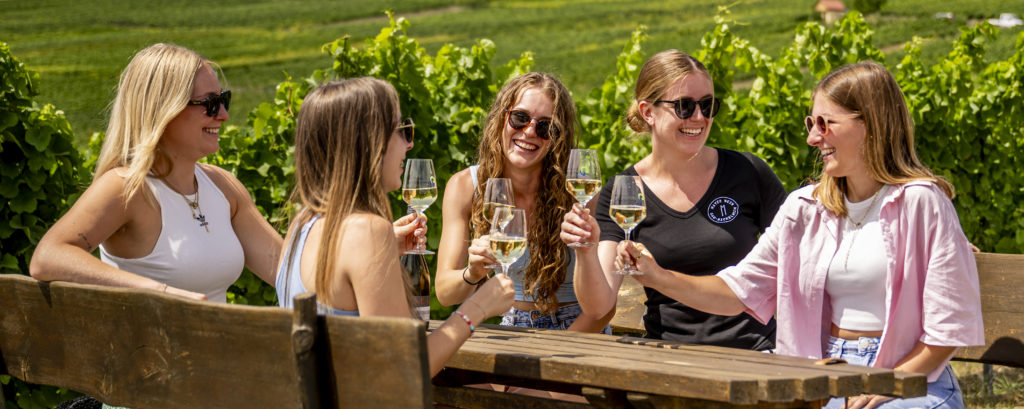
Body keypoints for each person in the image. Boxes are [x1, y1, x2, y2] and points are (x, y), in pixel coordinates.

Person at [617, 61, 984, 409]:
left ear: (871, 124)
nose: (812, 137)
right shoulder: (805, 208)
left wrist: (889, 381)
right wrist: (658, 276)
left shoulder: (921, 202)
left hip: (910, 376)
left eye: (826, 123)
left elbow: (947, 331)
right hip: (822, 375)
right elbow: (736, 292)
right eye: (812, 122)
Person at [275, 78, 514, 377]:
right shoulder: (366, 232)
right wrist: (478, 307)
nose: (409, 142)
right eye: (401, 131)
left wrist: (385, 245)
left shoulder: (303, 223)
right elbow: (408, 367)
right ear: (368, 142)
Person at [560, 50, 785, 349]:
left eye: (707, 105)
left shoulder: (748, 172)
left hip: (754, 351)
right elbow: (599, 307)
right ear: (648, 112)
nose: (699, 117)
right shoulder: (625, 191)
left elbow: (797, 261)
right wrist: (586, 251)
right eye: (684, 106)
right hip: (669, 357)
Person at [30, 43, 282, 302]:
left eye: (223, 99)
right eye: (210, 103)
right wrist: (158, 293)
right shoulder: (126, 188)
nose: (224, 115)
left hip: (217, 341)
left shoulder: (223, 187)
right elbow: (48, 256)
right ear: (164, 109)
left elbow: (284, 269)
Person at [435, 72, 611, 332]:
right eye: (520, 118)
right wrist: (472, 273)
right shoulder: (465, 186)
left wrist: (557, 350)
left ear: (557, 137)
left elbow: (605, 308)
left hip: (581, 328)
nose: (529, 132)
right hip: (513, 327)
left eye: (545, 127)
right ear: (501, 118)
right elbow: (445, 293)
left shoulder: (581, 194)